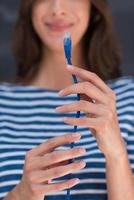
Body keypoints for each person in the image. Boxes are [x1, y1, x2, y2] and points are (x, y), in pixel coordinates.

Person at [0, 0, 134, 199]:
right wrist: (20, 195)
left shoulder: (129, 96)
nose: (58, 9)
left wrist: (117, 155)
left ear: (93, 6)